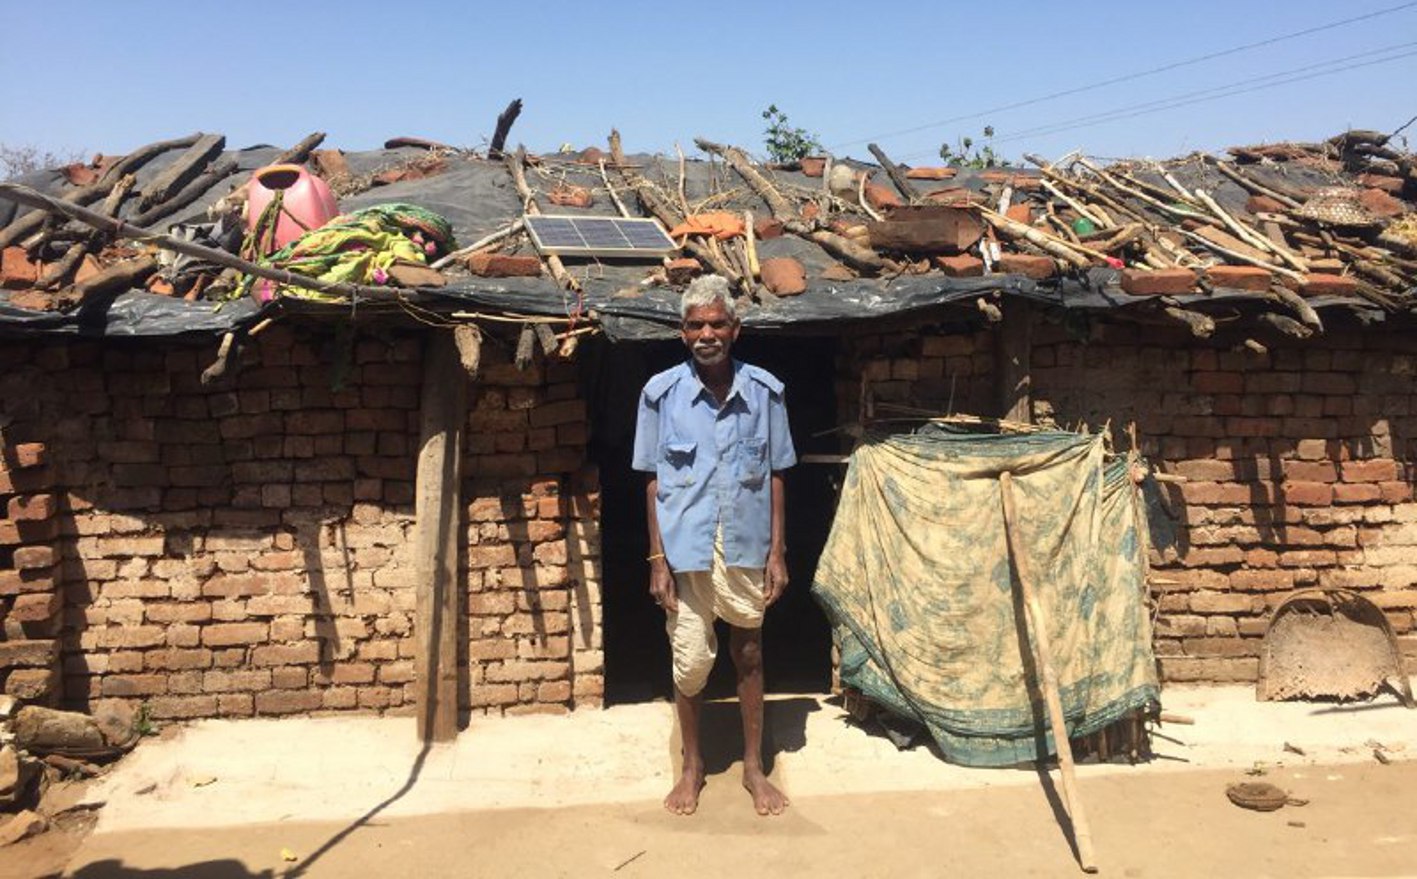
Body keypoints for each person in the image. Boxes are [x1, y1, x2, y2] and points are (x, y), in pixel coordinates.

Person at [632, 275, 796, 817]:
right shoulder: (660, 396)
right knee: (689, 661)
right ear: (682, 332)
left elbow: (776, 474)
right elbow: (653, 482)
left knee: (748, 650)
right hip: (684, 551)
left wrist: (777, 552)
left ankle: (753, 766)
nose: (707, 334)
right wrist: (657, 560)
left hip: (746, 544)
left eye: (717, 324)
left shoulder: (765, 393)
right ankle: (693, 765)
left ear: (735, 329)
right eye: (696, 325)